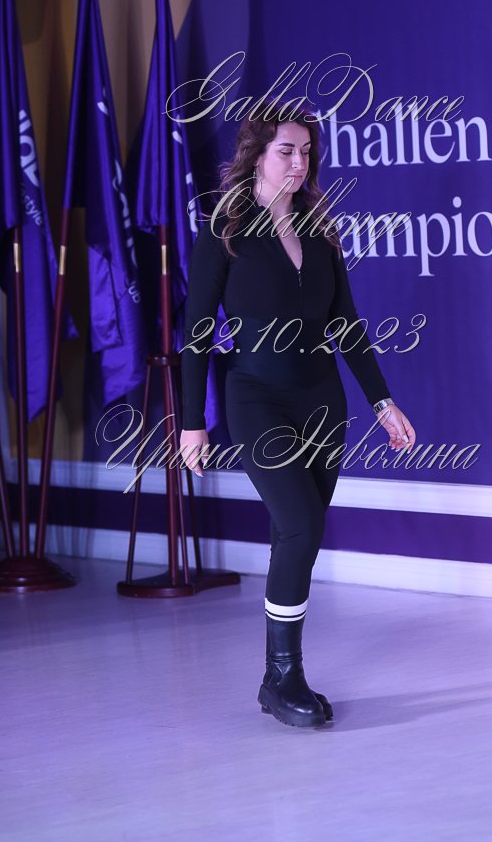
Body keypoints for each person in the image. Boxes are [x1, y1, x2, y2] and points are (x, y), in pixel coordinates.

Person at [179, 100, 415, 728]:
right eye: (286, 150)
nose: (298, 162)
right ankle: (284, 677)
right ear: (256, 154)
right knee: (301, 525)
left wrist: (382, 401)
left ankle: (277, 679)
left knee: (298, 535)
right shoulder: (225, 229)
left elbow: (347, 323)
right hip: (256, 396)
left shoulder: (320, 228)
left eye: (306, 151)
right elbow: (196, 332)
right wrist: (191, 421)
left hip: (323, 402)